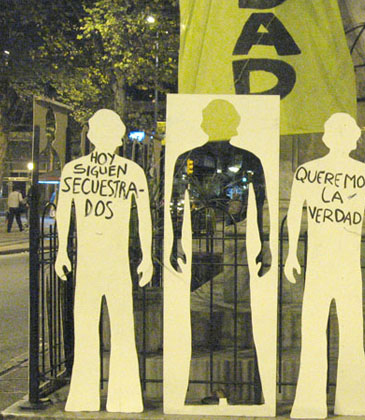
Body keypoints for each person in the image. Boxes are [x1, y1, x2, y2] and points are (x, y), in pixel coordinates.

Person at [169, 99, 271, 404]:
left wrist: (263, 243)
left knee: (230, 317)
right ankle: (223, 386)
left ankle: (228, 387)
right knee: (218, 317)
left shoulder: (244, 160)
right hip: (217, 242)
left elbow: (260, 204)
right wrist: (176, 239)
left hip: (233, 242)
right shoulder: (195, 159)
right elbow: (177, 202)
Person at [285, 113, 365, 418]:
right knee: (321, 330)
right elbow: (294, 213)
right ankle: (314, 402)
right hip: (324, 263)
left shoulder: (364, 175)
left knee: (342, 330)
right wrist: (291, 253)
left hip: (343, 264)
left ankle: (349, 401)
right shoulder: (310, 173)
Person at [55, 109, 153, 412]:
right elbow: (63, 211)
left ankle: (119, 396)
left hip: (112, 260)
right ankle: (91, 395)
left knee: (113, 325)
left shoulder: (128, 172)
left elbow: (145, 216)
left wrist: (147, 256)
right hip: (93, 260)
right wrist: (61, 251)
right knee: (97, 325)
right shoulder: (77, 171)